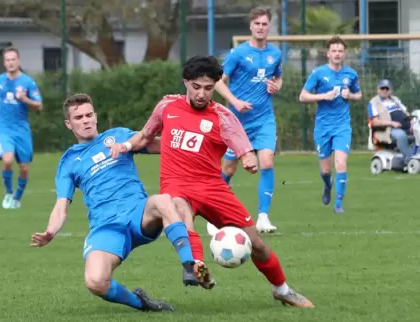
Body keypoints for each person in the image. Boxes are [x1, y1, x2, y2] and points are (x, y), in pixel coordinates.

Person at [110, 56, 314, 308]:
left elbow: (242, 146)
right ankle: (195, 267)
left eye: (208, 88)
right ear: (186, 82)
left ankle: (282, 290)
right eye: (196, 87)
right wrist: (127, 146)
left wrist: (248, 158)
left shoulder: (222, 116)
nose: (201, 94)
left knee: (257, 244)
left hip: (213, 187)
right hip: (176, 184)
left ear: (216, 85)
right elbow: (144, 136)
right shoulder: (166, 107)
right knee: (181, 216)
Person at [30, 93, 208, 312]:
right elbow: (61, 205)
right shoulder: (68, 161)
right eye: (78, 118)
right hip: (106, 227)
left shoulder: (119, 136)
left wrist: (194, 135)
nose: (85, 120)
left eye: (88, 115)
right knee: (95, 281)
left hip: (138, 213)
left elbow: (163, 145)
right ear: (69, 123)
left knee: (165, 201)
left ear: (95, 116)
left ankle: (190, 265)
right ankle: (142, 303)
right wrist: (50, 232)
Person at [208, 6, 283, 234]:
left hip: (264, 119)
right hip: (237, 122)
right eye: (257, 24)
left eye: (264, 24)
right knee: (229, 169)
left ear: (269, 27)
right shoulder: (239, 53)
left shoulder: (275, 54)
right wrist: (235, 101)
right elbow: (218, 81)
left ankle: (263, 217)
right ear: (251, 26)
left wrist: (275, 86)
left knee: (267, 162)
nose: (261, 27)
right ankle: (213, 217)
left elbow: (278, 78)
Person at [299, 36, 362, 213]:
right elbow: (303, 96)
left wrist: (350, 95)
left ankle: (338, 205)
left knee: (341, 164)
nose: (337, 54)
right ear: (328, 54)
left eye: (340, 51)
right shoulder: (318, 73)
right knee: (326, 171)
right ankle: (327, 185)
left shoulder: (351, 74)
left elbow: (359, 95)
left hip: (342, 126)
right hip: (323, 127)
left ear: (344, 54)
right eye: (334, 51)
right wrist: (322, 96)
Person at [0, 47, 42, 209]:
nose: (11, 62)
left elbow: (39, 106)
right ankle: (8, 193)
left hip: (22, 131)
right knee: (7, 159)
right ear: (4, 63)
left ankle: (17, 198)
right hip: (3, 129)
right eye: (7, 60)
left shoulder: (28, 82)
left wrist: (24, 99)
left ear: (18, 61)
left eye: (13, 59)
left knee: (24, 168)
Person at [368, 79, 414, 164]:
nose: (384, 91)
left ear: (390, 90)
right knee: (401, 135)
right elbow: (375, 122)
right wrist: (392, 123)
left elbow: (406, 112)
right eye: (382, 88)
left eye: (387, 89)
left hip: (405, 125)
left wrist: (412, 121)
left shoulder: (395, 99)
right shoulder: (374, 102)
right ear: (378, 90)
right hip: (388, 129)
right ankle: (410, 160)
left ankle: (415, 155)